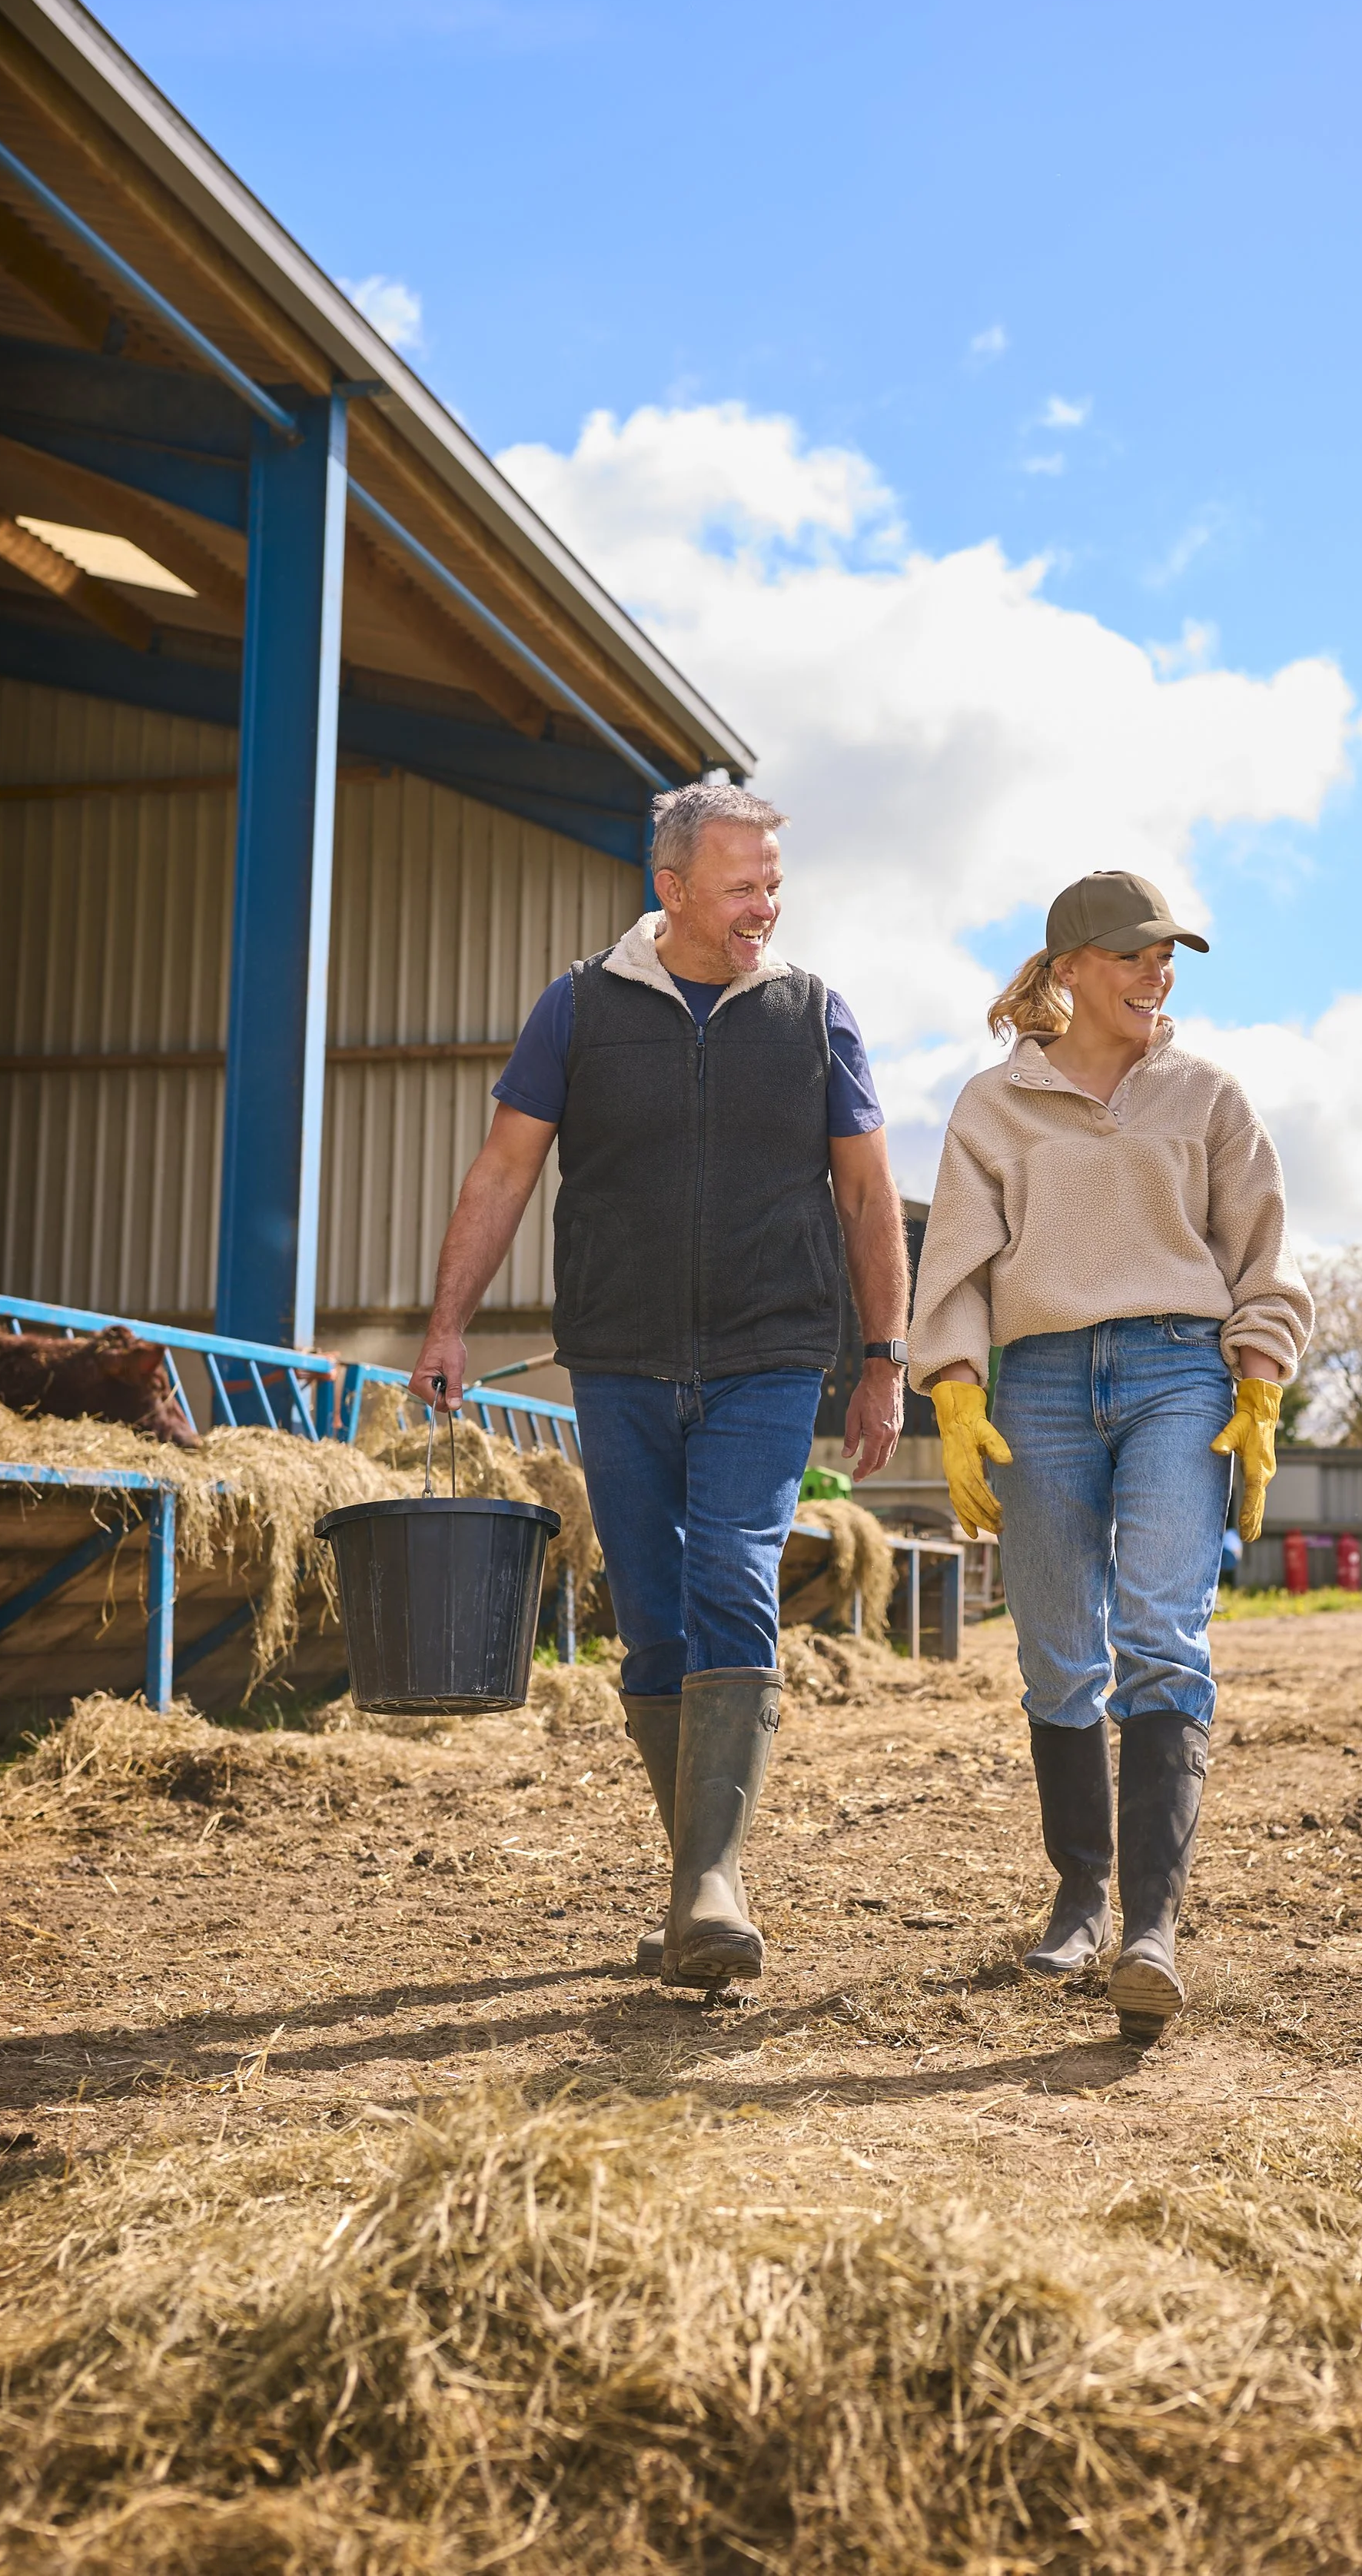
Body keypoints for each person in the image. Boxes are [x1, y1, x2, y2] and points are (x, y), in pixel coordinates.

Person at [410, 784, 909, 1987]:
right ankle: (700, 1880)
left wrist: (884, 1357)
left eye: (774, 883)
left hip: (771, 1350)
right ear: (671, 889)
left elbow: (867, 1193)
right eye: (742, 883)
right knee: (652, 1617)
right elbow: (503, 1170)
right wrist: (447, 1323)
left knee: (734, 1568)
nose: (766, 905)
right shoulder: (579, 1008)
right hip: (621, 1356)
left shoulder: (813, 1013)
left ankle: (711, 1886)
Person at [908, 869, 1312, 2043]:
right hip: (1034, 1386)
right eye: (1133, 955)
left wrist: (1261, 1386)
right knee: (1054, 1650)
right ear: (1068, 970)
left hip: (1180, 1374)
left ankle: (1151, 1924)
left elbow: (1263, 1254)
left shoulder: (1207, 1097)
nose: (1157, 973)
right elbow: (962, 1272)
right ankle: (1081, 1894)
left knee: (1160, 1628)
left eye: (1167, 956)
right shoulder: (993, 1108)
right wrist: (957, 1395)